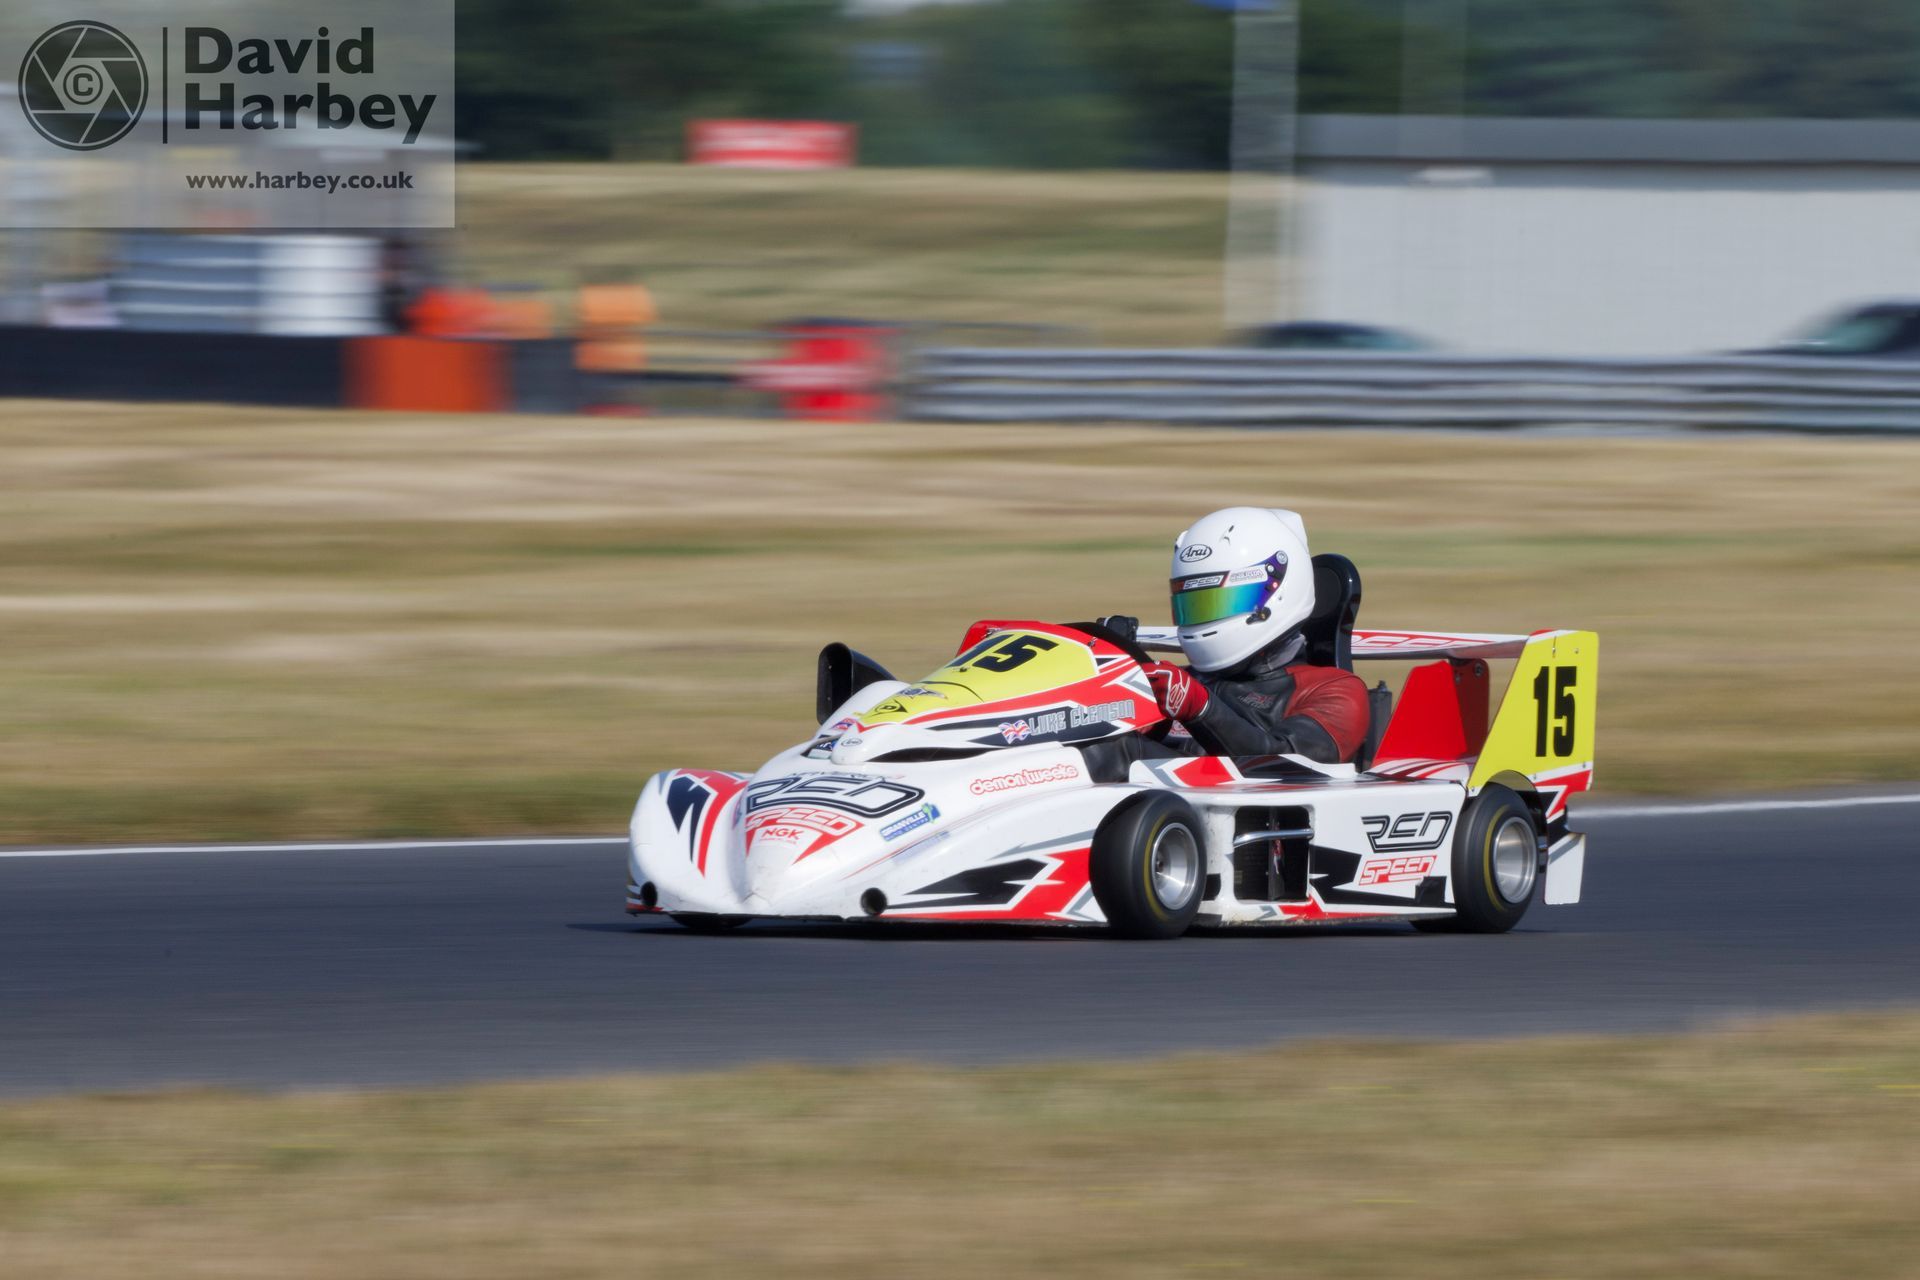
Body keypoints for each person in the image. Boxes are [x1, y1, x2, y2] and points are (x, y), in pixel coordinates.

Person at [1107, 507, 1371, 765]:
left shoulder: (1336, 691)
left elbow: (1287, 766)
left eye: (1221, 603)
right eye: (1195, 605)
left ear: (1277, 592)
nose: (1205, 617)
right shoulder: (1181, 684)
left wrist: (1201, 709)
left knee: (1118, 754)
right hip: (1159, 798)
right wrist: (1116, 678)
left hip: (1250, 805)